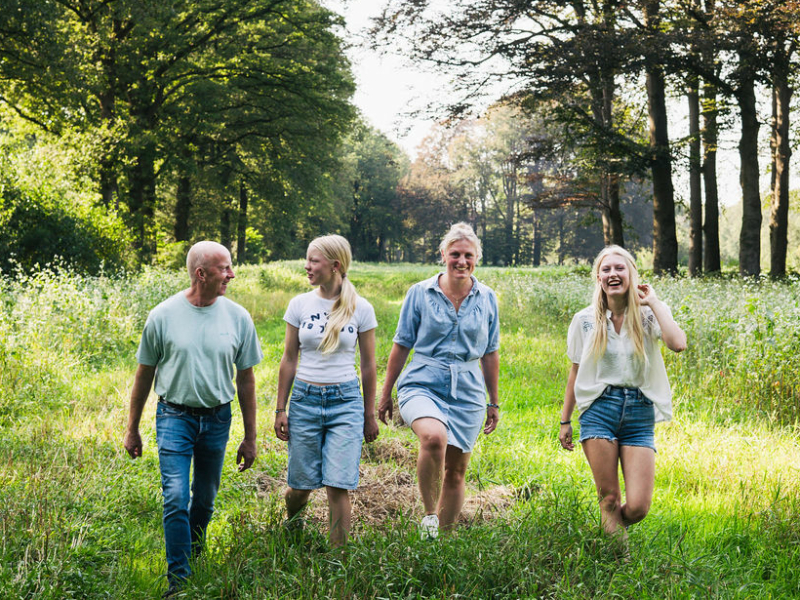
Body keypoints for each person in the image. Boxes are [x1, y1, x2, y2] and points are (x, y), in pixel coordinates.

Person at [123, 241, 263, 595]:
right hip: (174, 416)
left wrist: (251, 436)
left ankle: (192, 555)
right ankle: (179, 581)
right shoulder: (163, 315)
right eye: (224, 268)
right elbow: (144, 375)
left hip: (218, 419)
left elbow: (246, 379)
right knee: (174, 496)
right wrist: (132, 428)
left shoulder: (238, 317)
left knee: (203, 500)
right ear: (201, 274)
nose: (231, 274)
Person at [378, 222, 500, 540]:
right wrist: (385, 392)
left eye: (468, 255)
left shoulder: (488, 299)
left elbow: (490, 353)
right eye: (455, 254)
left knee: (456, 471)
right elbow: (402, 343)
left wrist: (493, 401)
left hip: (468, 389)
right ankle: (430, 517)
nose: (461, 260)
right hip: (422, 380)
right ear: (443, 254)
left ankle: (440, 544)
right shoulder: (420, 293)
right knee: (434, 438)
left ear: (477, 259)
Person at [558, 245, 686, 544]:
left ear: (631, 274)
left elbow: (678, 343)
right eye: (606, 269)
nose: (613, 274)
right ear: (598, 278)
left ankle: (608, 532)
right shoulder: (585, 320)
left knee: (639, 507)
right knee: (611, 499)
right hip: (599, 409)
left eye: (620, 268)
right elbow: (575, 372)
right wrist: (565, 420)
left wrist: (654, 302)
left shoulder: (647, 315)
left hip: (639, 414)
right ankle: (619, 566)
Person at [274, 234, 378, 547]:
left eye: (313, 261)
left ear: (334, 266)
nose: (307, 266)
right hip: (305, 400)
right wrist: (281, 408)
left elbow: (370, 365)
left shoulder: (361, 308)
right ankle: (293, 523)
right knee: (300, 486)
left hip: (345, 402)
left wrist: (369, 414)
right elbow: (289, 358)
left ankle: (338, 564)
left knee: (337, 485)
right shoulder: (299, 304)